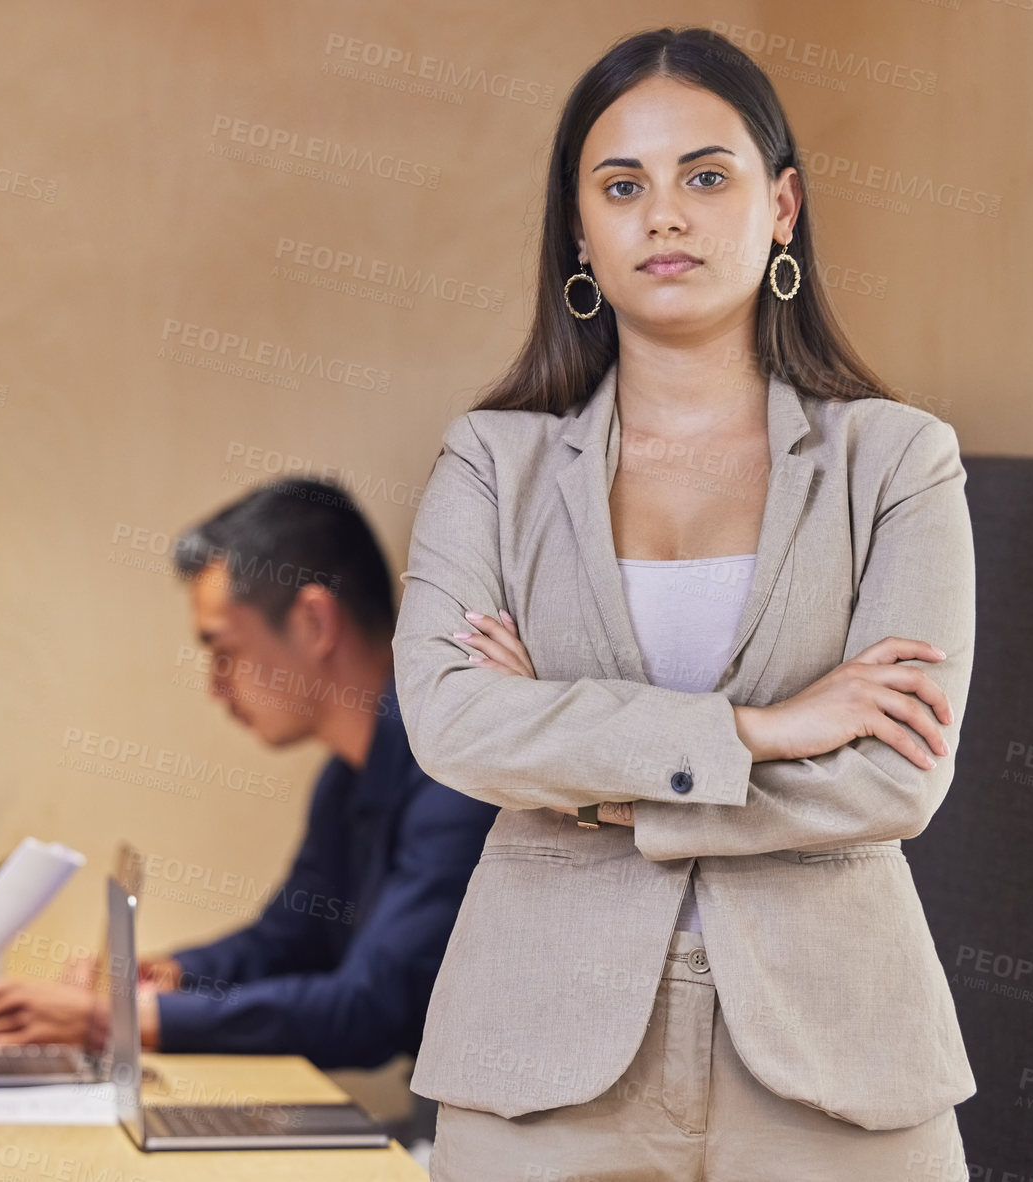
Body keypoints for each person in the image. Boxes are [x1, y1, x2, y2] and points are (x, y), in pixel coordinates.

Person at [391, 26, 975, 1179]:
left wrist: (593, 786)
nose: (665, 215)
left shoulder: (897, 461)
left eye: (706, 176)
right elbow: (452, 723)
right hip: (535, 1061)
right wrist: (762, 731)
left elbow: (894, 777)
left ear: (782, 205)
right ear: (579, 228)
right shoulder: (490, 464)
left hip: (842, 1064)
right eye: (623, 186)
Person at [0, 480, 498, 1075]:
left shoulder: (455, 774)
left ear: (315, 622)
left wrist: (112, 1020)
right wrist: (167, 977)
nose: (215, 689)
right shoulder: (345, 779)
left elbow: (371, 1007)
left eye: (224, 651)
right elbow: (286, 943)